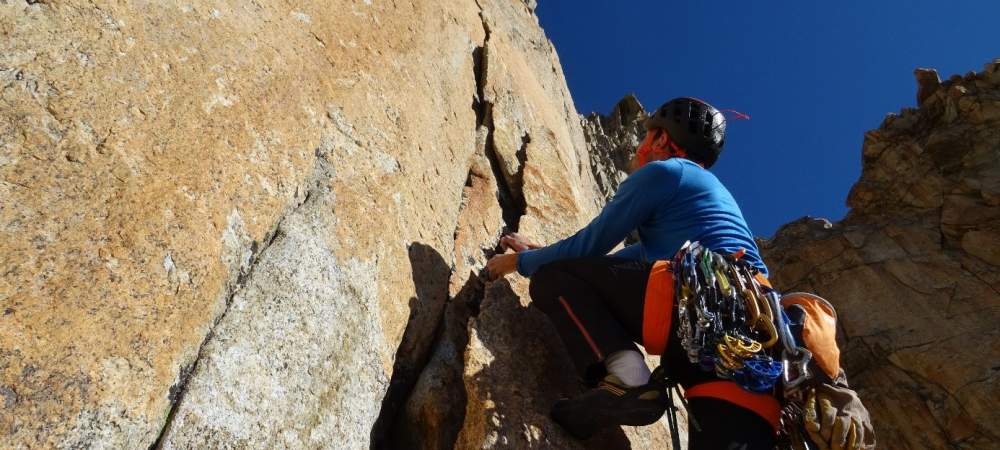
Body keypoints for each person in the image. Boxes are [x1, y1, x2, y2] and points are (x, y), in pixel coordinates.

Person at [486, 97, 874, 450]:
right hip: (752, 353)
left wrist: (519, 264)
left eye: (647, 137)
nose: (639, 149)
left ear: (662, 139)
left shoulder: (668, 172)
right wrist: (540, 251)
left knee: (555, 279)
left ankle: (627, 379)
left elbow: (592, 247)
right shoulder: (697, 200)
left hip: (699, 306)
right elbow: (622, 264)